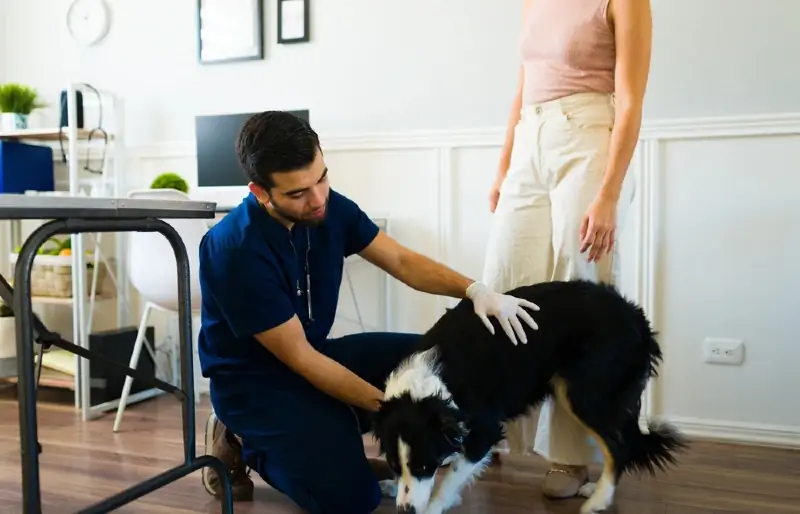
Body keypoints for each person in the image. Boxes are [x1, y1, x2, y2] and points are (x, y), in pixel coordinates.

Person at [196, 111, 541, 514]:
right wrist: (399, 413)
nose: (318, 198)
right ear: (260, 191)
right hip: (256, 388)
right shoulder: (235, 250)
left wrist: (475, 290)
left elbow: (401, 261)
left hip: (315, 355)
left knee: (440, 359)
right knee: (353, 499)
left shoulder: (329, 208)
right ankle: (243, 439)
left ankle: (331, 441)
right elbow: (300, 360)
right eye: (298, 193)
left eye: (322, 177)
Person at [481, 0, 652, 501]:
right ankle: (495, 425)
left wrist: (609, 194)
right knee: (503, 283)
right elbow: (523, 86)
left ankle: (574, 457)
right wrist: (504, 165)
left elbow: (631, 100)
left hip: (589, 136)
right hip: (530, 143)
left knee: (580, 292)